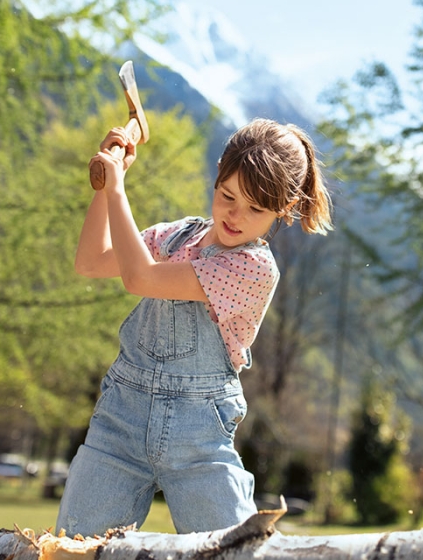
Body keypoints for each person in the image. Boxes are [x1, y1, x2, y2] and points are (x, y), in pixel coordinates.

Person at [56, 118, 333, 537]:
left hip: (198, 440)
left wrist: (117, 190)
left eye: (256, 209)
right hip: (119, 425)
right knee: (73, 546)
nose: (236, 216)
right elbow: (92, 261)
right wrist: (106, 186)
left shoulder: (252, 268)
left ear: (284, 209)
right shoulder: (176, 237)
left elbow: (141, 278)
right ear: (219, 171)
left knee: (233, 550)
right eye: (228, 196)